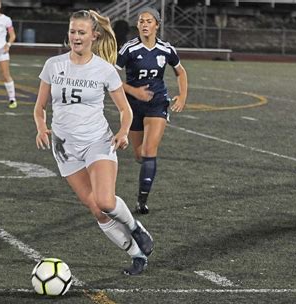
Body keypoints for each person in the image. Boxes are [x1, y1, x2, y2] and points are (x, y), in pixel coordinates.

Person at [34, 9, 154, 276]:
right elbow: (40, 106)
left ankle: (135, 228)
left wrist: (123, 132)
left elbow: (126, 110)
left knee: (105, 201)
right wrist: (42, 127)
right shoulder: (53, 65)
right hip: (65, 150)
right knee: (96, 210)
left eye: (81, 32)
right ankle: (136, 255)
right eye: (72, 32)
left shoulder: (104, 69)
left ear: (93, 35)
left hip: (97, 142)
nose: (75, 37)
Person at [115, 7, 188, 214]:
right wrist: (133, 91)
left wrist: (182, 96)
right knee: (139, 155)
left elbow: (180, 72)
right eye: (141, 21)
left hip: (157, 102)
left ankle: (142, 201)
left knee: (149, 152)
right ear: (137, 25)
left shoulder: (166, 49)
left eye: (149, 21)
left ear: (157, 24)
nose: (145, 24)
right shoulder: (128, 48)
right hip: (133, 106)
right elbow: (111, 77)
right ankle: (145, 171)